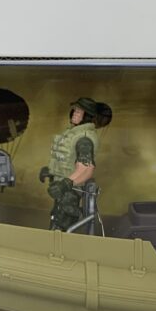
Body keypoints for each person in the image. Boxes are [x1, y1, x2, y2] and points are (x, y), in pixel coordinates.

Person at [40, 97, 101, 231]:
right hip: (64, 190)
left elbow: (87, 168)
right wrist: (51, 170)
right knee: (56, 221)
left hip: (71, 193)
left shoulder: (84, 138)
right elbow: (66, 159)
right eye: (75, 110)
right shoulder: (74, 133)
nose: (74, 113)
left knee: (60, 227)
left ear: (87, 116)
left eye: (78, 112)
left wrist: (66, 184)